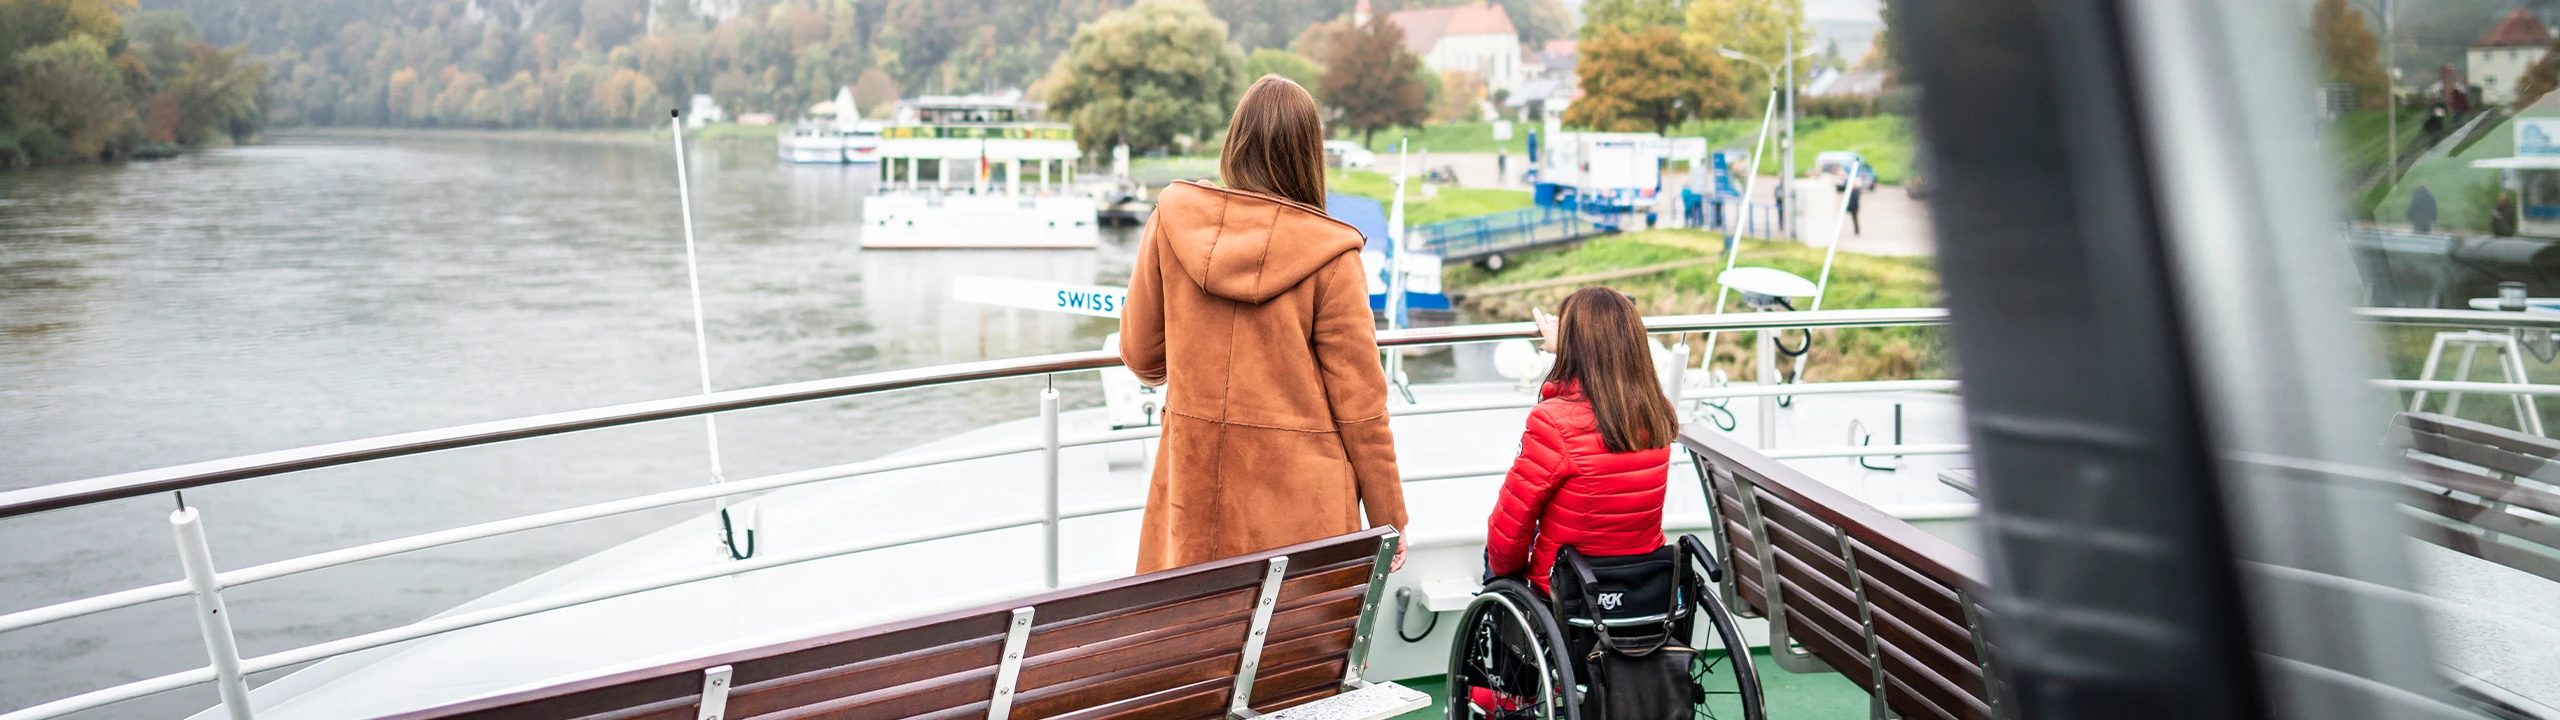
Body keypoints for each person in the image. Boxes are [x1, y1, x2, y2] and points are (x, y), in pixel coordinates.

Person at [1119, 75, 1407, 573]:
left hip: (1193, 499)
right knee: (1295, 646)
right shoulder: (1333, 254)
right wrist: (1391, 519)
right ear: (1309, 155)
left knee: (1195, 641)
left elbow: (1142, 356)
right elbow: (1362, 409)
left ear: (1236, 142)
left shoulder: (1171, 220)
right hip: (1301, 516)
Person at [1484, 287, 1680, 594]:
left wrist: (1504, 574)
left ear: (1572, 346)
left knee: (1497, 552)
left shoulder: (1554, 422)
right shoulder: (1656, 412)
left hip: (1570, 591)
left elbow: (1510, 531)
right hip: (1640, 585)